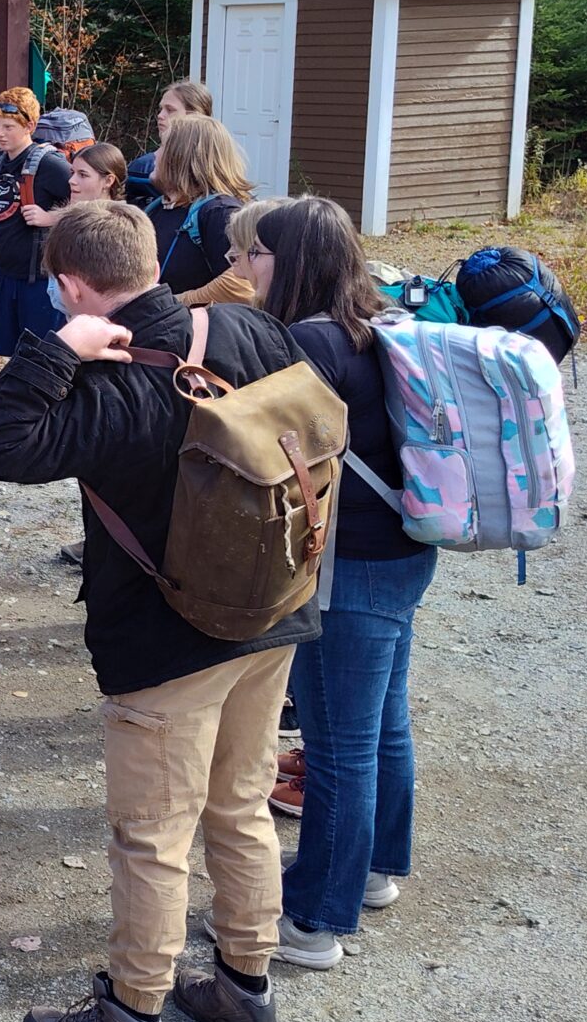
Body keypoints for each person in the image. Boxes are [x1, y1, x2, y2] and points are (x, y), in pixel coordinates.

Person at [0, 200, 319, 1022]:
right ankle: (246, 993)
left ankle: (132, 1021)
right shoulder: (246, 327)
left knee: (153, 836)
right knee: (239, 806)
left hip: (168, 640)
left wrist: (57, 351)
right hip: (273, 609)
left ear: (72, 286)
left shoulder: (107, 387)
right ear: (152, 263)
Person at [246, 197, 434, 972]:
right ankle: (378, 869)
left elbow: (270, 453)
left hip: (345, 568)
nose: (244, 267)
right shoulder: (379, 322)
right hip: (405, 549)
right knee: (383, 723)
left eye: (255, 254)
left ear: (290, 261)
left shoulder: (309, 343)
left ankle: (316, 918)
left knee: (337, 746)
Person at [0, 87, 71, 358]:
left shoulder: (50, 164)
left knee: (42, 357)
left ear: (30, 126)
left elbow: (90, 206)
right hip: (6, 274)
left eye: (9, 127)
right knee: (12, 355)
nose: (0, 134)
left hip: (39, 280)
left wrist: (50, 217)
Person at [146, 113, 253, 296]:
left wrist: (174, 305)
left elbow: (241, 286)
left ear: (181, 157)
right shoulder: (158, 207)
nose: (154, 155)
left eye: (162, 146)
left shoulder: (220, 214)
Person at [125, 79, 214, 205]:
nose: (160, 115)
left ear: (194, 116)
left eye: (170, 110)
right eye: (161, 109)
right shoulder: (143, 169)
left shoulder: (217, 170)